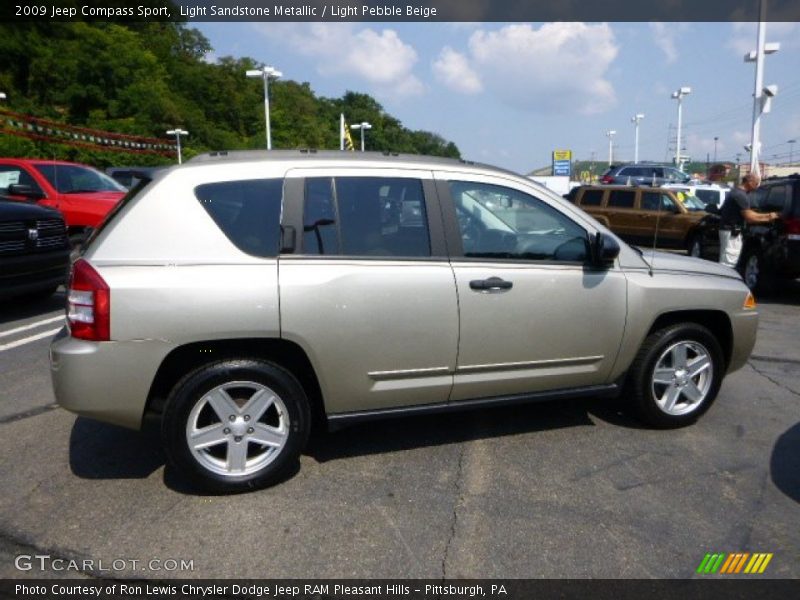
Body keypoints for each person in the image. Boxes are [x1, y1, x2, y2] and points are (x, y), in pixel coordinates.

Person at [718, 173, 778, 268]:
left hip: (728, 230)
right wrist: (769, 216)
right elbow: (750, 217)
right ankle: (724, 277)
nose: (757, 186)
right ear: (749, 182)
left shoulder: (735, 192)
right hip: (732, 231)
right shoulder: (740, 195)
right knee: (729, 262)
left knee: (726, 257)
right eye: (756, 183)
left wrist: (767, 215)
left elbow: (748, 213)